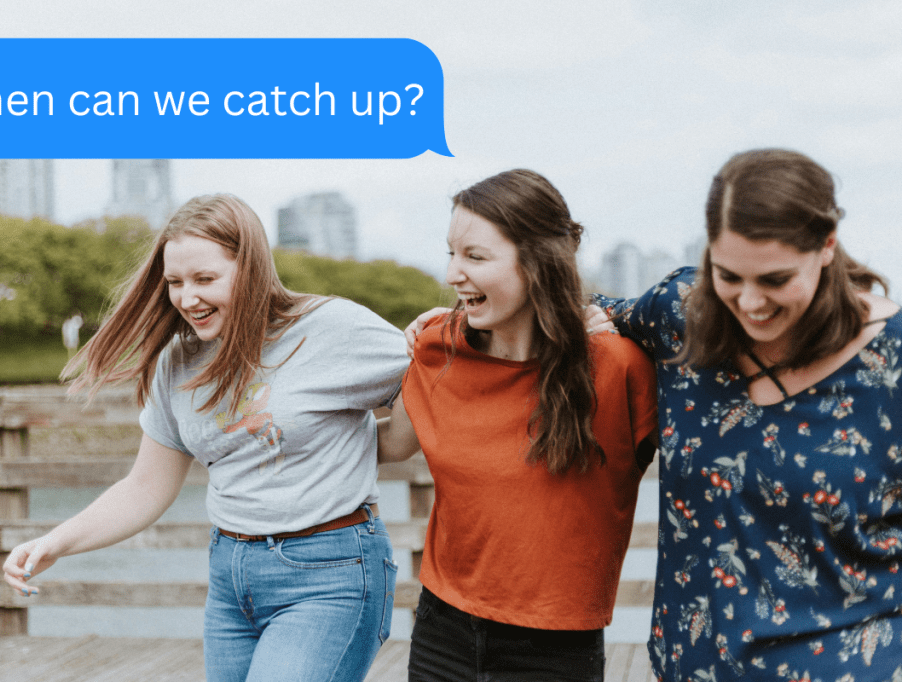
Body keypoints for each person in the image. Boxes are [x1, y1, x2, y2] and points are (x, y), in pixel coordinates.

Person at [2, 194, 409, 682]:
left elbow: (434, 380)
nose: (186, 298)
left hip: (330, 575)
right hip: (232, 580)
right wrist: (55, 542)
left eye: (205, 279)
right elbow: (146, 487)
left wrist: (372, 439)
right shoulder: (177, 361)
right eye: (174, 282)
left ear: (251, 270)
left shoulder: (329, 330)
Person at [582, 149, 902, 680]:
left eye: (775, 280)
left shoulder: (892, 365)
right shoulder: (682, 311)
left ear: (827, 247)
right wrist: (450, 328)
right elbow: (579, 311)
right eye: (728, 275)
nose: (750, 302)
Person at [379, 169, 658, 681]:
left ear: (537, 264)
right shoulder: (436, 348)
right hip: (442, 630)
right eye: (451, 253)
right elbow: (389, 445)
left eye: (475, 257)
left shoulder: (619, 367)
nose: (452, 274)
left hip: (555, 650)